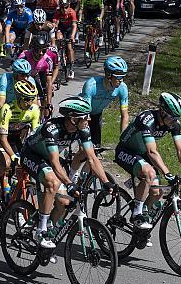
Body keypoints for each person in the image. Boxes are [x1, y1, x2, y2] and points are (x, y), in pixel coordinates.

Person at [20, 96, 113, 248]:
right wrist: (69, 183)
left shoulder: (82, 129)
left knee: (64, 201)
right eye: (85, 117)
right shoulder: (51, 129)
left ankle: (49, 230)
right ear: (73, 119)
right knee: (52, 182)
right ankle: (41, 229)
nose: (88, 120)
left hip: (50, 159)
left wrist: (106, 182)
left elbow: (92, 158)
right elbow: (55, 163)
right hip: (32, 155)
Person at [114, 92, 181, 230]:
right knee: (149, 173)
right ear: (162, 112)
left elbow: (180, 150)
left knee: (157, 193)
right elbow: (152, 152)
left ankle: (139, 226)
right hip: (126, 151)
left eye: (178, 118)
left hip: (142, 153)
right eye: (172, 117)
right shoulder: (147, 120)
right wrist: (167, 173)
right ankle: (137, 214)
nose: (175, 121)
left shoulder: (174, 124)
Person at [0, 80, 40, 202]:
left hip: (15, 139)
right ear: (18, 97)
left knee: (26, 164)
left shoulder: (34, 110)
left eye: (32, 98)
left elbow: (35, 135)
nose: (30, 102)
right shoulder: (7, 109)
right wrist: (13, 156)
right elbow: (3, 139)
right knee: (6, 163)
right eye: (26, 99)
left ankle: (16, 195)